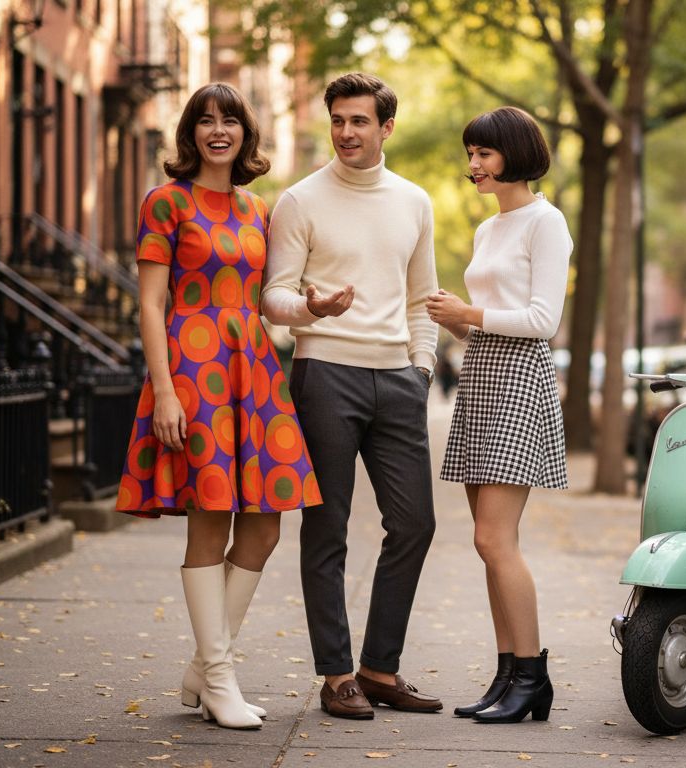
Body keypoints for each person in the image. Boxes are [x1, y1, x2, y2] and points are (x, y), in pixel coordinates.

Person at [116, 82, 323, 730]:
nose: (217, 130)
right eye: (204, 120)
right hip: (194, 368)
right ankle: (222, 677)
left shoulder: (257, 208)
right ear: (191, 133)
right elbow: (150, 303)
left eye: (228, 119)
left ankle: (207, 666)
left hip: (253, 369)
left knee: (264, 524)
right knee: (209, 519)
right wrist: (166, 390)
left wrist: (314, 305)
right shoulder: (166, 201)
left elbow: (269, 298)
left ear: (244, 134)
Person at [261, 73, 442, 721]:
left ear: (386, 127)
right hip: (325, 374)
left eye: (359, 121)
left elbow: (423, 299)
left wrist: (420, 368)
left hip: (397, 378)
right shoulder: (300, 201)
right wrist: (311, 306)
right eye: (338, 120)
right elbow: (273, 297)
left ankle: (380, 668)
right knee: (327, 526)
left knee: (415, 522)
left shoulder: (415, 202)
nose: (345, 132)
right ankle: (337, 673)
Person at [426, 106, 571, 724]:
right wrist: (458, 322)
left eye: (483, 154)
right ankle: (509, 673)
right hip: (481, 374)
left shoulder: (547, 222)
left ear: (513, 153)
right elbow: (488, 311)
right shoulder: (490, 231)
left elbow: (544, 322)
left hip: (519, 379)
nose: (473, 166)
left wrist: (469, 314)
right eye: (471, 154)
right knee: (489, 544)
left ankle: (534, 677)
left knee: (494, 537)